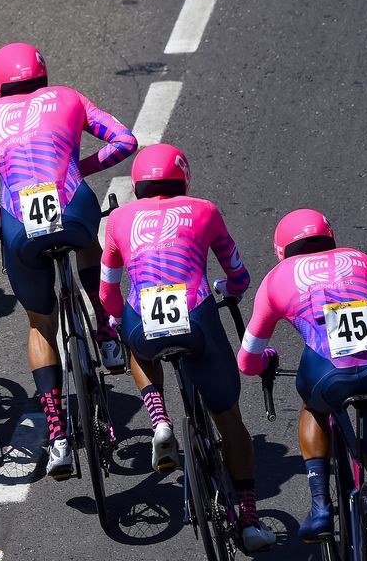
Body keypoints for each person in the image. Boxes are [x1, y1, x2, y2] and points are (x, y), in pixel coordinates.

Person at [0, 42, 136, 480]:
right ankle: (105, 330)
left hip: (20, 227)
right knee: (89, 245)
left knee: (41, 323)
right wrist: (77, 167)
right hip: (72, 209)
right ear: (42, 75)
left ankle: (57, 435)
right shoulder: (68, 97)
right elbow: (125, 142)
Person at [99, 143, 276, 552]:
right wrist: (227, 290)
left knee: (137, 347)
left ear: (139, 183)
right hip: (196, 316)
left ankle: (159, 421)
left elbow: (108, 290)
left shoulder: (120, 219)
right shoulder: (204, 209)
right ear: (183, 178)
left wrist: (114, 319)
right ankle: (249, 521)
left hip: (143, 319)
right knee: (229, 419)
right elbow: (239, 275)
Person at [238, 209, 367, 560]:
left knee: (314, 406)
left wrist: (268, 361)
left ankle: (321, 506)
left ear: (281, 251)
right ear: (331, 238)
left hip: (326, 373)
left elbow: (247, 362)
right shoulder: (363, 261)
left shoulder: (277, 278)